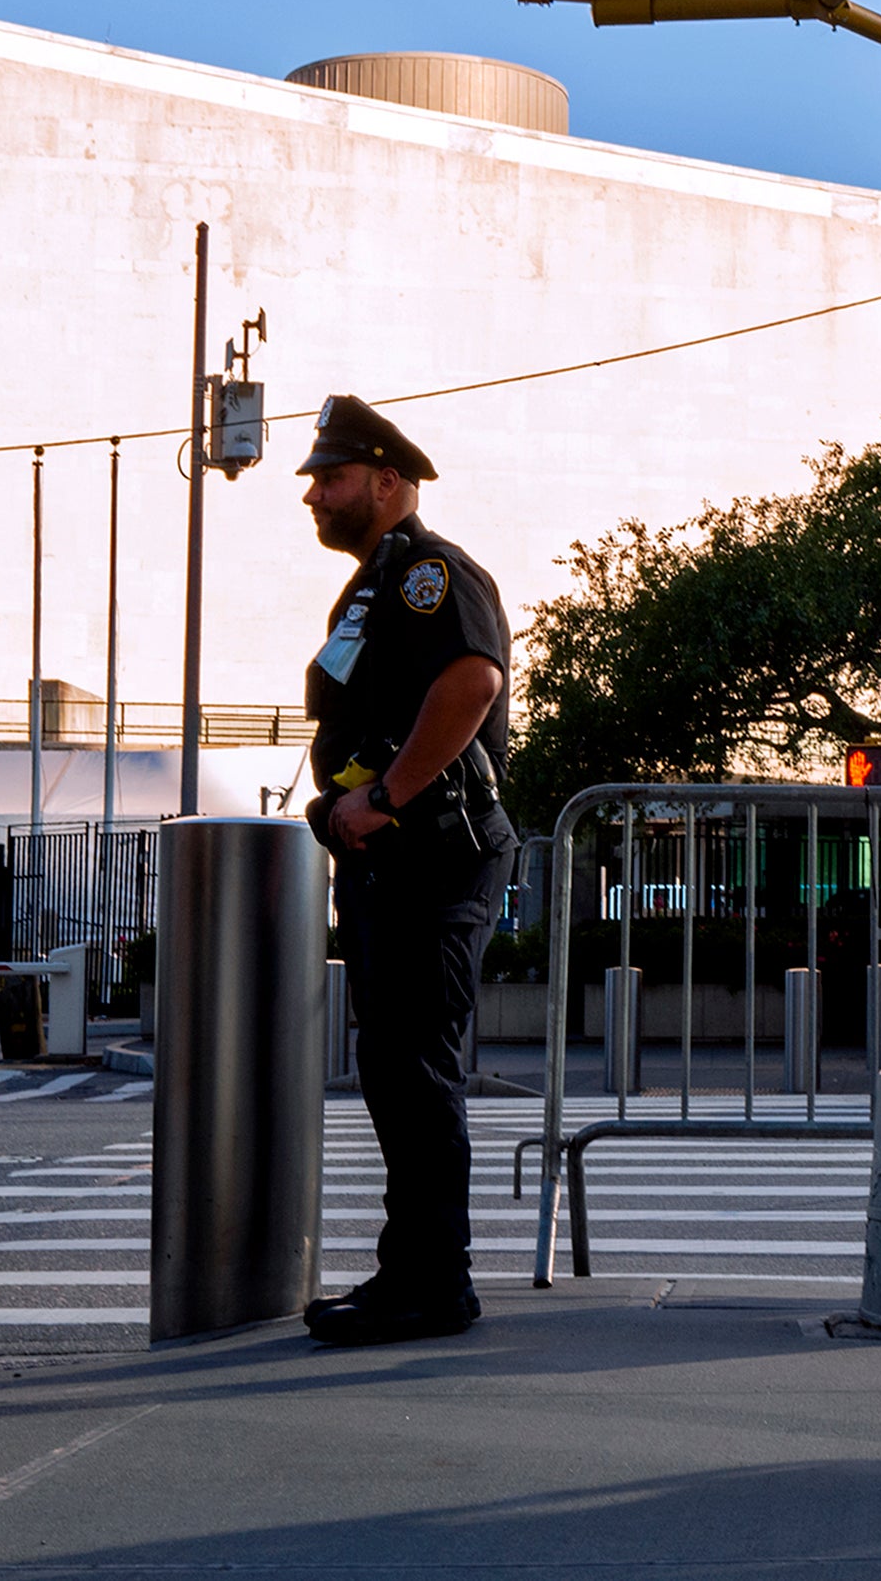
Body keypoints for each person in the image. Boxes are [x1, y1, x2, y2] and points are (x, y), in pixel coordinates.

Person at [292, 395, 519, 1348]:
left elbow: (473, 682)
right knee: (395, 1068)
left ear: (388, 481)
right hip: (399, 859)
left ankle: (430, 1285)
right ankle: (413, 1273)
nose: (314, 496)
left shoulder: (428, 575)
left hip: (433, 853)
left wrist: (382, 797)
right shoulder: (375, 584)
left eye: (331, 478)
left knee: (415, 1068)